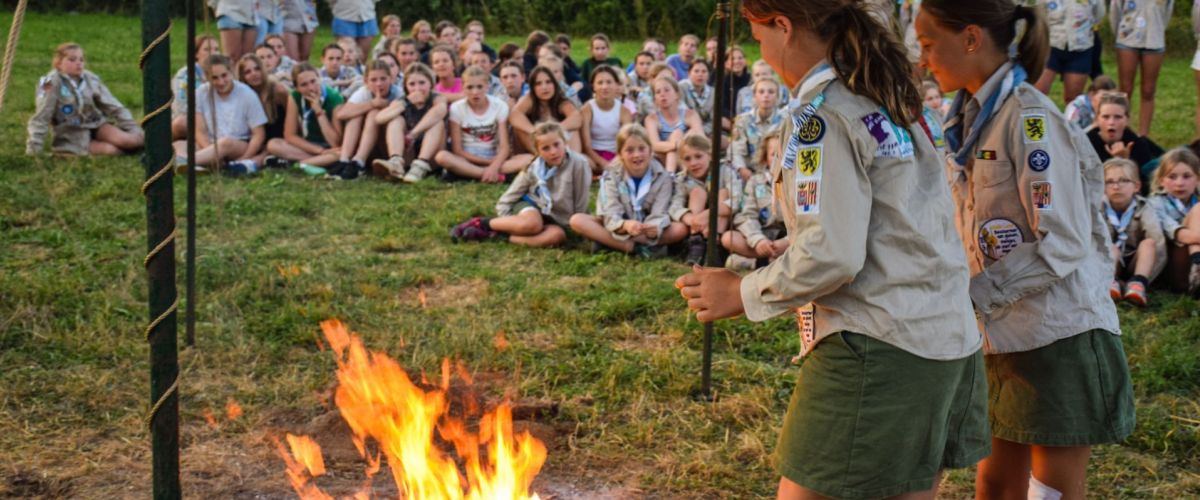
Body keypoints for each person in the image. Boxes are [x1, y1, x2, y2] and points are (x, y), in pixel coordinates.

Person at [678, 1, 991, 498]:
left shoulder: (823, 118)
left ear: (783, 26)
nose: (761, 50)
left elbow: (833, 254)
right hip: (944, 337)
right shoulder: (886, 99)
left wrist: (744, 292)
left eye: (759, 36)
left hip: (879, 344)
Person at [917, 2, 1135, 499]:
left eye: (929, 43)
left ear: (971, 38)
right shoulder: (972, 121)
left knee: (1048, 492)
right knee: (994, 482)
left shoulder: (1030, 119)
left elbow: (1061, 242)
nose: (923, 58)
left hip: (1056, 334)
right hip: (1000, 336)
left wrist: (973, 296)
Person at [451, 122, 592, 247]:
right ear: (538, 151)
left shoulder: (580, 164)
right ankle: (482, 223)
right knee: (533, 224)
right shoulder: (533, 168)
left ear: (565, 143)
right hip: (531, 208)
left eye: (556, 145)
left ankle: (503, 236)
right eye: (546, 148)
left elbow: (581, 202)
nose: (553, 152)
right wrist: (508, 219)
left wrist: (579, 229)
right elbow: (509, 197)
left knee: (557, 236)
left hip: (558, 218)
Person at [570, 124, 687, 257]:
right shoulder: (611, 175)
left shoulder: (663, 177)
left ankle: (611, 243)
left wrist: (654, 227)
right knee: (577, 220)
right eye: (630, 150)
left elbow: (660, 211)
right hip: (620, 226)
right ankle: (632, 247)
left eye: (642, 148)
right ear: (620, 154)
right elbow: (610, 211)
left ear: (650, 150)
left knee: (680, 229)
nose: (637, 155)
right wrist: (624, 225)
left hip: (645, 229)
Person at [27, 42, 143, 156]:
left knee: (130, 142)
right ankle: (70, 151)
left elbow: (113, 105)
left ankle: (146, 145)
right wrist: (34, 147)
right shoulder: (49, 82)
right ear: (59, 63)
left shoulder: (90, 78)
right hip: (72, 132)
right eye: (72, 60)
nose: (78, 63)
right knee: (111, 150)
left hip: (96, 124)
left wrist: (132, 128)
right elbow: (42, 115)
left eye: (81, 60)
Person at [173, 54, 268, 175]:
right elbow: (200, 131)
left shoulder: (247, 94)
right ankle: (201, 163)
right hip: (210, 144)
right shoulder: (201, 93)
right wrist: (212, 153)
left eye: (224, 76)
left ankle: (186, 161)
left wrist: (245, 158)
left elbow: (259, 134)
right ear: (207, 77)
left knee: (225, 143)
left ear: (231, 72)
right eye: (215, 78)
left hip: (238, 144)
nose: (221, 82)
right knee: (179, 144)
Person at [433, 66, 514, 182]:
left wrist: (494, 164)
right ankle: (489, 175)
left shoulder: (499, 106)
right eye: (470, 87)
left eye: (479, 87)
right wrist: (489, 165)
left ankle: (468, 173)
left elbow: (504, 146)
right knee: (441, 157)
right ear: (463, 88)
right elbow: (457, 150)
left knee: (527, 159)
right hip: (467, 158)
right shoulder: (457, 108)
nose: (475, 92)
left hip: (492, 155)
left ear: (487, 86)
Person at [1102, 158, 1165, 306]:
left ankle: (1138, 284)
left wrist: (1150, 277)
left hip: (1136, 263)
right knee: (1111, 248)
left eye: (1123, 180)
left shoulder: (1145, 206)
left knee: (1149, 243)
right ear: (1103, 187)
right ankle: (1109, 282)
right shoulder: (1097, 209)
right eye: (1109, 182)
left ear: (1136, 186)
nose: (1116, 186)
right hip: (1108, 263)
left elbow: (1159, 243)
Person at [372, 62, 447, 183]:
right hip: (409, 154)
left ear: (430, 83)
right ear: (406, 87)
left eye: (422, 83)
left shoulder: (437, 98)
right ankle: (396, 162)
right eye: (412, 84)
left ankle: (420, 165)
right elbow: (379, 118)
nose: (417, 88)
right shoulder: (402, 101)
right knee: (396, 119)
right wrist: (406, 103)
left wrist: (413, 134)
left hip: (432, 157)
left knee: (438, 123)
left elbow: (441, 110)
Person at [670, 134, 738, 265]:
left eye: (698, 156)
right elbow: (674, 206)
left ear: (710, 154)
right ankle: (696, 244)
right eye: (687, 159)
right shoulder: (682, 179)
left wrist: (708, 215)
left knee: (723, 193)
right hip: (696, 225)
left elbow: (737, 201)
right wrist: (692, 219)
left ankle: (715, 246)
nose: (693, 163)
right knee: (697, 193)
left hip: (723, 220)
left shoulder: (726, 169)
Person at [266, 63, 345, 173]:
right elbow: (290, 135)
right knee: (273, 144)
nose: (311, 88)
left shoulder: (334, 98)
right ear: (297, 88)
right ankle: (319, 162)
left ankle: (299, 164)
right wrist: (320, 151)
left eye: (313, 81)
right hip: (310, 146)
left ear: (319, 79)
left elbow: (336, 143)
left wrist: (319, 112)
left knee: (341, 153)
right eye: (304, 85)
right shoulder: (295, 96)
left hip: (330, 147)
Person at [723, 131, 787, 266]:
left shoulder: (799, 183)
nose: (780, 159)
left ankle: (757, 263)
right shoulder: (755, 182)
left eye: (785, 154)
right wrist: (758, 240)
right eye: (774, 155)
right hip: (764, 236)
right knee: (729, 237)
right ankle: (765, 259)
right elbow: (747, 215)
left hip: (789, 238)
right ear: (765, 159)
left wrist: (787, 241)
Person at [1111, 0, 1173, 137]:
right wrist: (1120, 34)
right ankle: (1123, 130)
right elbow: (1115, 11)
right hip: (1127, 39)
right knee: (1125, 89)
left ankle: (1144, 136)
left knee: (1148, 90)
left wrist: (1158, 30)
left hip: (1154, 41)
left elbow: (1167, 13)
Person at [332, 60, 402, 179]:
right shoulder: (364, 92)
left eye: (383, 79)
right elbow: (341, 114)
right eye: (373, 80)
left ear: (391, 79)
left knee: (373, 113)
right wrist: (372, 104)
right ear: (366, 82)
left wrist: (385, 107)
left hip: (386, 144)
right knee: (356, 114)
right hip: (366, 141)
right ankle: (344, 159)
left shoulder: (397, 93)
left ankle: (360, 161)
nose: (379, 84)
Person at [1147, 147, 1200, 295]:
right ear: (1161, 180)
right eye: (1172, 176)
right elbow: (1180, 235)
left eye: (1186, 176)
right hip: (1173, 265)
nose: (1179, 183)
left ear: (1198, 179)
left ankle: (1197, 267)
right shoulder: (1155, 203)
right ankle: (1197, 264)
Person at [1034, 0, 1105, 104]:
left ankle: (1069, 120)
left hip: (1080, 48)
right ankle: (1038, 119)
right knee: (1037, 95)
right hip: (1050, 47)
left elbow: (1098, 16)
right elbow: (1038, 16)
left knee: (1073, 100)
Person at [1087, 92, 1164, 186]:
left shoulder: (1138, 144)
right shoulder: (1086, 143)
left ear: (1127, 120)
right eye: (1105, 117)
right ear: (1097, 119)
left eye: (1118, 117)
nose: (1111, 122)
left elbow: (1146, 186)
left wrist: (1126, 161)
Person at [509, 66, 582, 155]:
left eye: (548, 82)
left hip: (560, 144)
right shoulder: (529, 99)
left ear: (554, 84)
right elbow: (514, 115)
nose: (544, 87)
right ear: (533, 87)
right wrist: (534, 131)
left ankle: (572, 159)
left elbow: (576, 118)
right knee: (519, 128)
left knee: (574, 129)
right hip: (537, 145)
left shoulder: (561, 100)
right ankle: (541, 156)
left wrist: (554, 129)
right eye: (538, 84)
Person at [644, 75, 703, 173]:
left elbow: (701, 137)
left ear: (677, 94)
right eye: (658, 92)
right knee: (676, 135)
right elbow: (654, 145)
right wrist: (675, 144)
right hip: (662, 157)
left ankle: (671, 175)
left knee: (683, 133)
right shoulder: (651, 119)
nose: (663, 94)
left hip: (688, 154)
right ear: (655, 99)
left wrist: (680, 142)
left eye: (667, 90)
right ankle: (680, 175)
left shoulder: (690, 114)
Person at [580, 65, 633, 174]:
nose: (604, 87)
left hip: (617, 155)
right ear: (593, 86)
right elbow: (586, 145)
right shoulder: (587, 109)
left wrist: (615, 162)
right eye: (600, 83)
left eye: (609, 82)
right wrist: (604, 163)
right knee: (584, 163)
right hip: (593, 155)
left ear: (616, 85)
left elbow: (627, 142)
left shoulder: (624, 111)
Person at [730, 77, 784, 180]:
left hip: (778, 173)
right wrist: (742, 169)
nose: (766, 95)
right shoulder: (743, 121)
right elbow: (736, 150)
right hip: (749, 173)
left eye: (771, 92)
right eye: (761, 92)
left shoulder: (786, 121)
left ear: (777, 97)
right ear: (754, 96)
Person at [236, 53, 289, 156]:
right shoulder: (242, 95)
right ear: (242, 77)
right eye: (248, 72)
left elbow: (294, 120)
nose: (254, 74)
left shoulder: (278, 90)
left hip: (279, 140)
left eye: (257, 69)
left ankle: (251, 163)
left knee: (271, 146)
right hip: (256, 141)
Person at [171, 35, 220, 139]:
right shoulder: (185, 75)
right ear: (196, 54)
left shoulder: (223, 71)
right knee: (180, 123)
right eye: (207, 49)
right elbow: (181, 108)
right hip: (195, 118)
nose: (214, 53)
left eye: (216, 49)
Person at [329, 0, 378, 64]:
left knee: (363, 54)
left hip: (367, 14)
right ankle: (345, 73)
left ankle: (360, 72)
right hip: (344, 15)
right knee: (346, 51)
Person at [715, 45, 750, 127]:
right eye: (732, 59)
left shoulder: (752, 79)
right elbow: (722, 108)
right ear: (726, 63)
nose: (737, 61)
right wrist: (736, 119)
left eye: (740, 58)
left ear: (745, 61)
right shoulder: (722, 82)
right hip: (732, 120)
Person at [679, 59, 716, 136]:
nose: (700, 74)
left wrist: (702, 131)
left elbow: (713, 120)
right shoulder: (681, 88)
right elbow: (681, 114)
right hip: (685, 130)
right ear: (689, 73)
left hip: (705, 131)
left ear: (709, 74)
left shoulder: (713, 92)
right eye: (696, 71)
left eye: (704, 71)